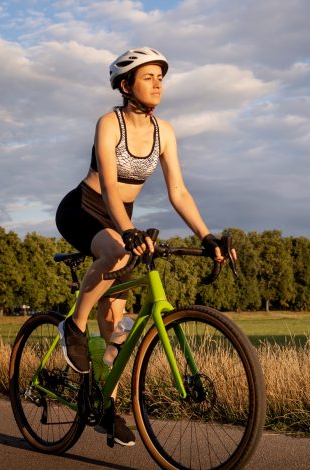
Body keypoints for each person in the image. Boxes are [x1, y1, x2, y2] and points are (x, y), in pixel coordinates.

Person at [54, 47, 229, 447]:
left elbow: (178, 191)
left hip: (121, 220)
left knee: (117, 327)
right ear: (124, 84)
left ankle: (106, 407)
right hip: (84, 208)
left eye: (160, 77)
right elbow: (111, 187)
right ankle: (73, 327)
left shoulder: (164, 132)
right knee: (118, 250)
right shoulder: (108, 123)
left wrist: (206, 235)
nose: (157, 84)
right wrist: (128, 229)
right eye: (148, 77)